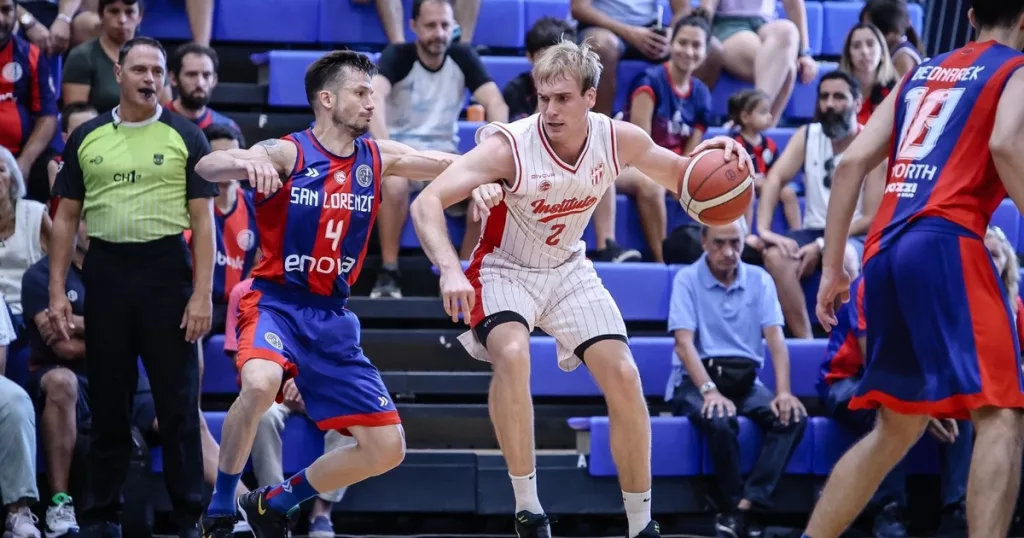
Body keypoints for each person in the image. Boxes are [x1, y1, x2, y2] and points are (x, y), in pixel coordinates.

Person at [408, 39, 753, 538]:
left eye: (563, 98)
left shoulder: (617, 139)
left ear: (591, 97)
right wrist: (449, 269)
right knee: (513, 354)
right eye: (543, 98)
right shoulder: (509, 147)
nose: (550, 110)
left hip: (568, 268)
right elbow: (427, 202)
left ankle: (641, 524)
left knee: (625, 375)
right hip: (504, 268)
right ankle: (528, 507)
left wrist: (727, 151)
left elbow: (684, 174)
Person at [192, 50, 503, 538]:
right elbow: (208, 165)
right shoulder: (288, 153)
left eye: (372, 94)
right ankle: (220, 506)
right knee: (259, 384)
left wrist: (485, 177)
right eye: (361, 93)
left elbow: (451, 163)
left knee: (388, 448)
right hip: (275, 302)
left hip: (331, 317)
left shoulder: (378, 157)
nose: (371, 103)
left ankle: (276, 500)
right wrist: (246, 161)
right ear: (327, 99)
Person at [810, 2, 1024, 537]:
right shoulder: (1015, 70)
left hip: (884, 249)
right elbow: (1005, 144)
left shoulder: (920, 72)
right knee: (1001, 414)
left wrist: (833, 268)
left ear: (970, 16)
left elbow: (850, 164)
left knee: (897, 427)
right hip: (946, 243)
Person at [48, 36, 217, 538]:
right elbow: (65, 219)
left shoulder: (187, 136)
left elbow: (203, 224)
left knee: (178, 407)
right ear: (118, 73)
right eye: (140, 69)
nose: (150, 79)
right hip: (107, 271)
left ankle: (189, 518)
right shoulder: (87, 137)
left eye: (158, 71)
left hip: (166, 272)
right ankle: (102, 515)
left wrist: (202, 294)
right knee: (109, 404)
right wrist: (57, 290)